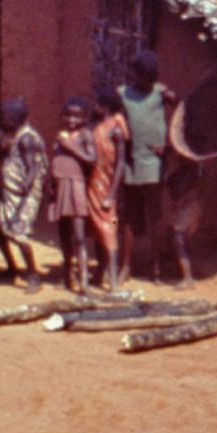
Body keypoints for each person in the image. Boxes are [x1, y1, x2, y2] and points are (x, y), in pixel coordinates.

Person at [119, 51, 177, 284]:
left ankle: (155, 268)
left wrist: (169, 145)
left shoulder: (160, 93)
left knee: (155, 217)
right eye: (143, 77)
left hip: (154, 163)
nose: (147, 82)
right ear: (134, 75)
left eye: (152, 78)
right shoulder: (122, 94)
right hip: (131, 162)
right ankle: (125, 266)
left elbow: (183, 112)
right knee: (129, 216)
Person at [0, 98, 47, 294]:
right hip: (10, 192)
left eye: (6, 118)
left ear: (17, 119)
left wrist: (25, 191)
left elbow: (32, 168)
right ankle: (12, 268)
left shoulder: (26, 139)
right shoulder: (12, 134)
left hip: (23, 195)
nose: (2, 121)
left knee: (19, 235)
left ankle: (33, 274)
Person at [50, 97, 95, 294]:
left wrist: (69, 146)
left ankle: (83, 280)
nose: (71, 120)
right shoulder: (60, 135)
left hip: (75, 186)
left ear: (84, 118)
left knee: (78, 236)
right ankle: (68, 275)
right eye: (68, 115)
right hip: (60, 186)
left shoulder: (85, 135)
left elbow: (91, 159)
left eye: (76, 116)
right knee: (64, 234)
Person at [88, 88, 129, 293]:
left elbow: (121, 162)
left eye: (97, 103)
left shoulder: (116, 128)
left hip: (108, 189)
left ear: (104, 106)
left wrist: (112, 193)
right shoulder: (97, 125)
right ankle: (99, 273)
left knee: (110, 229)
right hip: (93, 186)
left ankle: (112, 283)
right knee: (97, 231)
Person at [166, 155, 204, 290]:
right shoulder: (186, 169)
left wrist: (182, 202)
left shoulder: (193, 169)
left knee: (179, 240)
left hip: (187, 206)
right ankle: (187, 273)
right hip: (186, 206)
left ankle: (188, 278)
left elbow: (195, 189)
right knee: (183, 240)